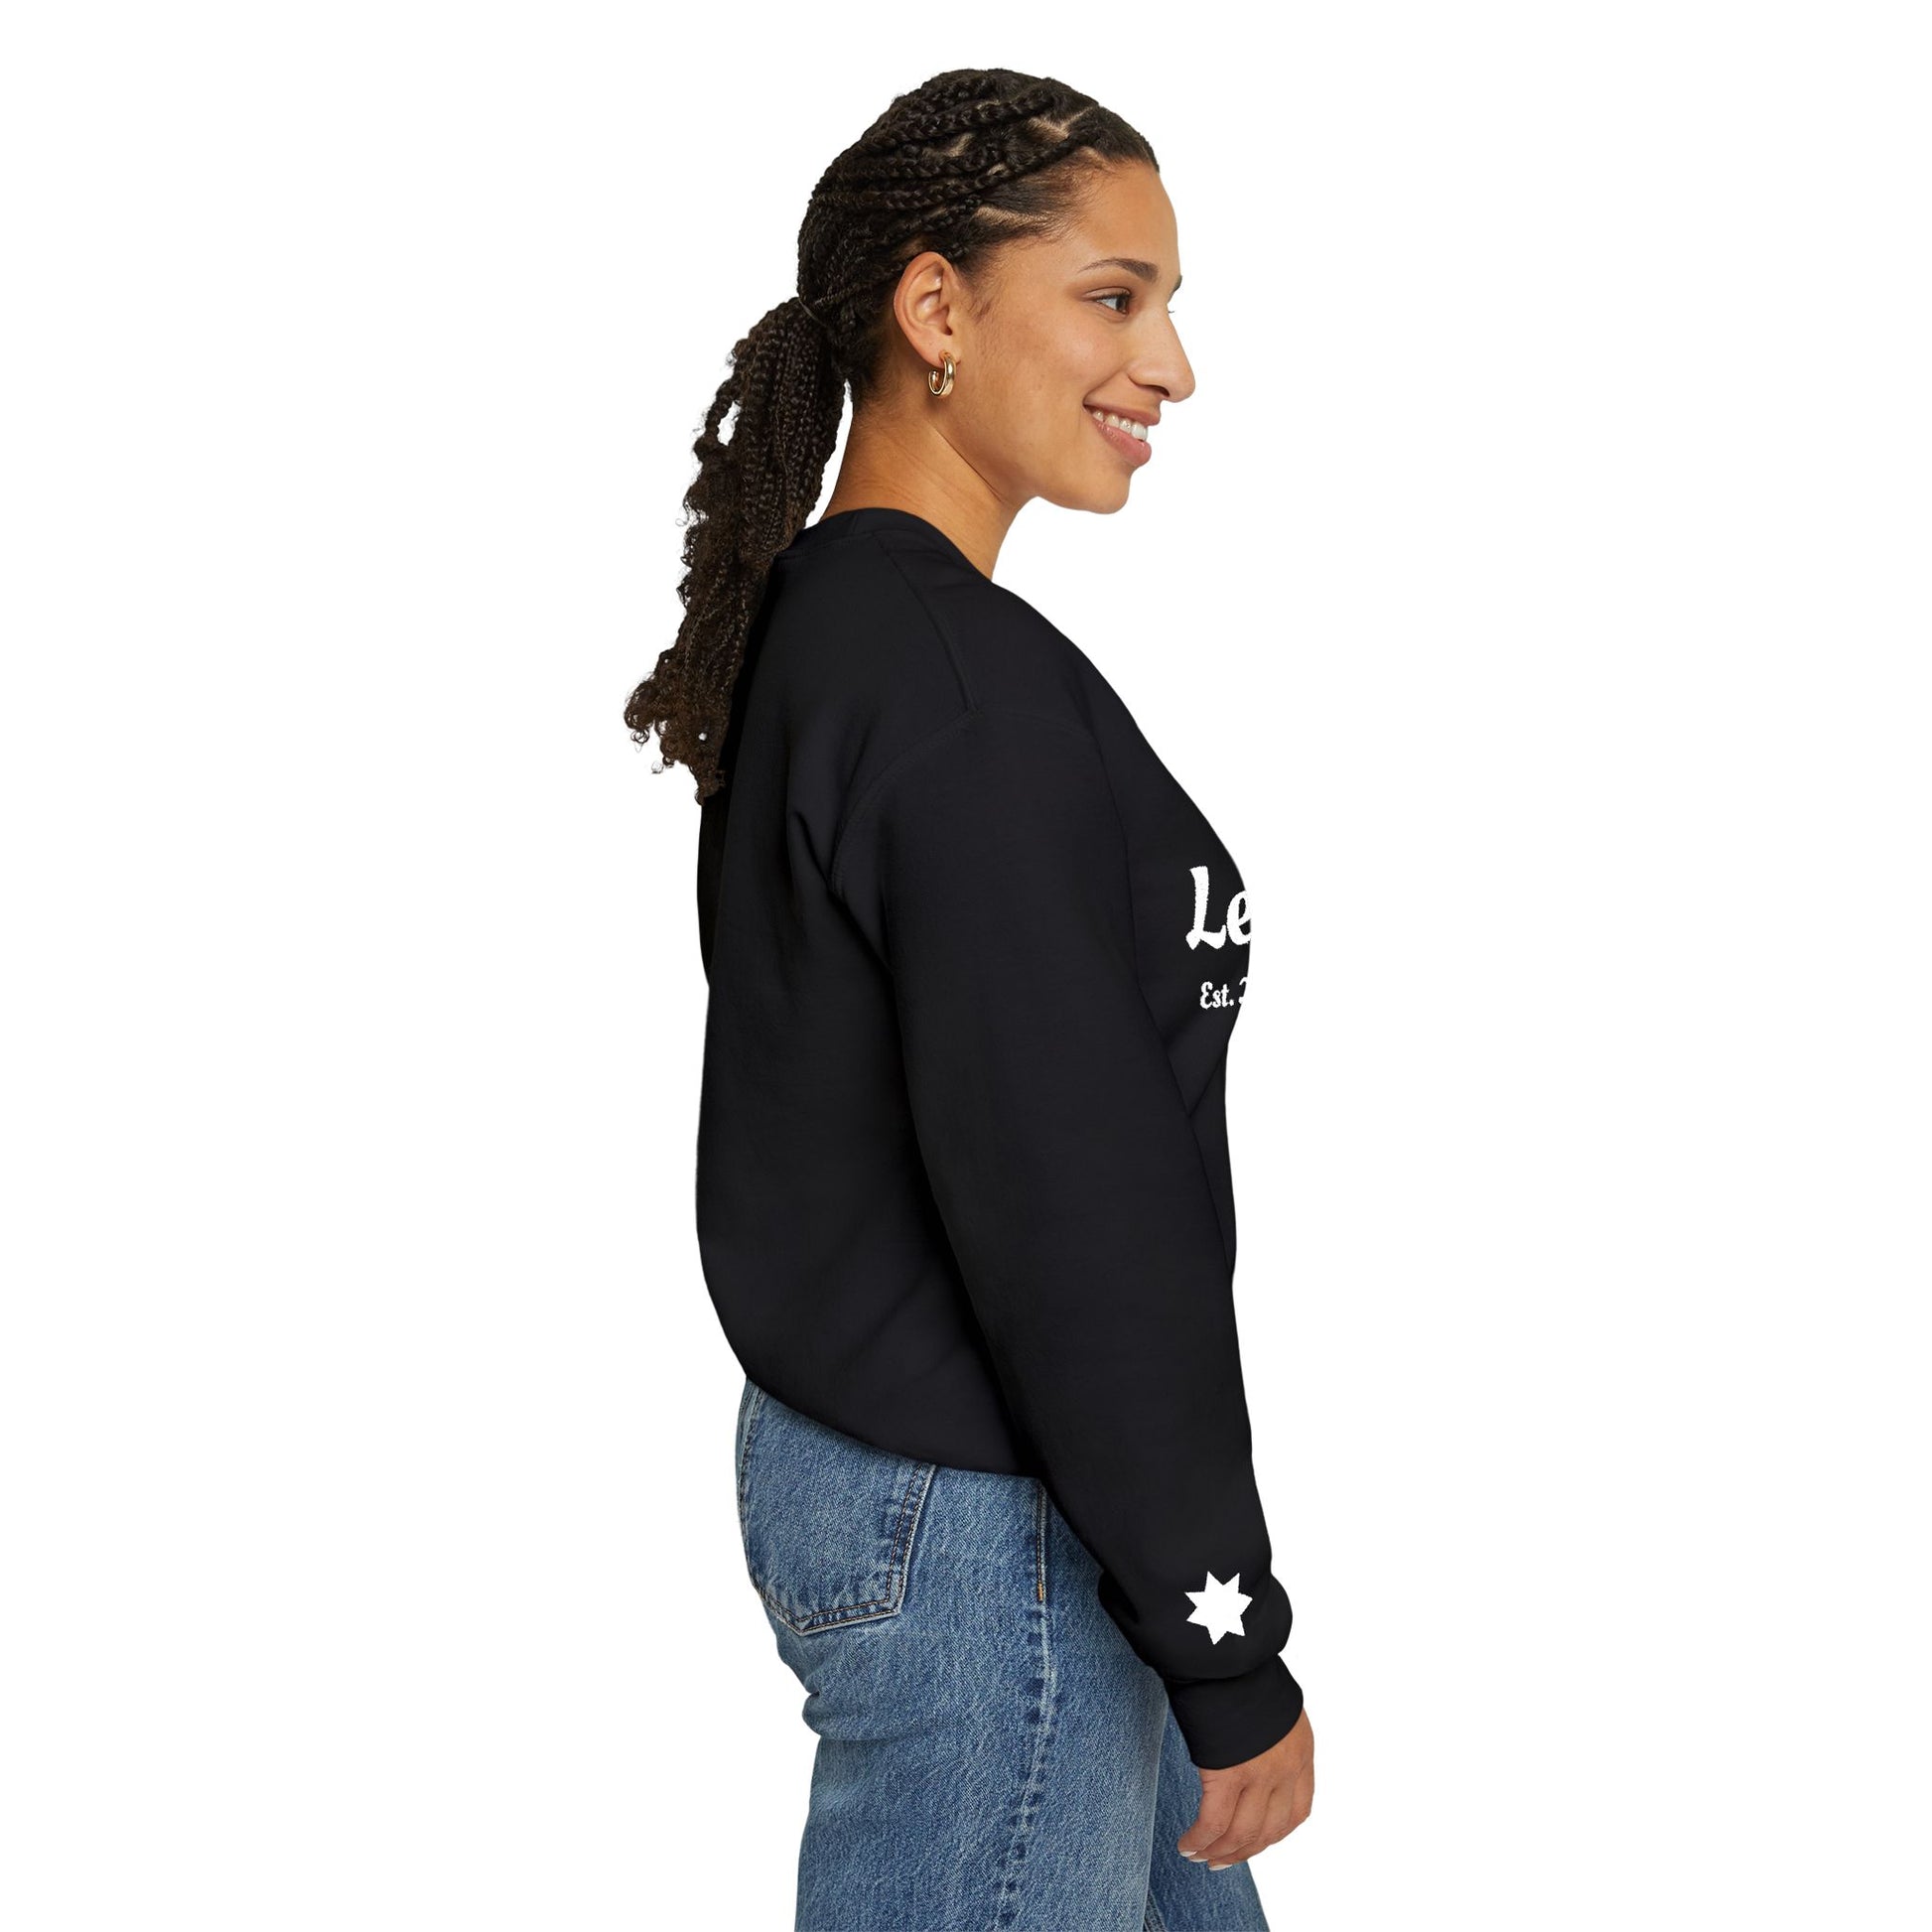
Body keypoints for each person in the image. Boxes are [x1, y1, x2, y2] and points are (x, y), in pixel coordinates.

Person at [625, 67, 1315, 1932]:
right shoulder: (949, 687)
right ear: (936, 308)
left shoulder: (856, 637)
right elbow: (1070, 1197)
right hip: (989, 1517)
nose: (1170, 365)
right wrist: (1224, 1628)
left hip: (984, 1493)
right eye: (1112, 296)